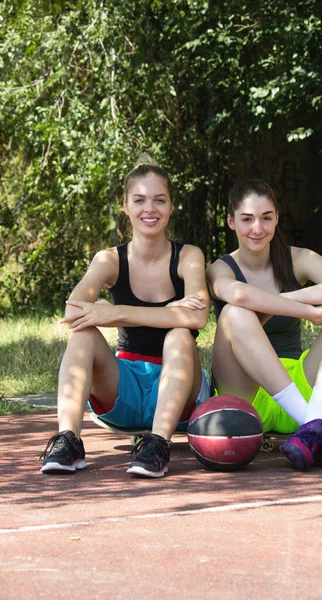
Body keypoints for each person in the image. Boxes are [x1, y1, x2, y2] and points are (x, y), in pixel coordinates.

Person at [40, 154, 210, 478]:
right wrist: (172, 312)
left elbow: (197, 318)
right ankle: (69, 440)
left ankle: (157, 445)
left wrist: (114, 312)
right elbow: (73, 312)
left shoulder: (188, 256)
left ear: (171, 207)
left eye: (160, 200)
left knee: (179, 335)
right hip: (123, 387)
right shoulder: (109, 260)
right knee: (83, 335)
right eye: (140, 200)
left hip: (180, 388)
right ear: (125, 205)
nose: (150, 209)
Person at [206, 178, 322, 471]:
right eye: (247, 219)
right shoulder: (220, 267)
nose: (258, 228)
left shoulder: (298, 258)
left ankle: (310, 426)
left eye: (266, 218)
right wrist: (307, 311)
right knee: (235, 312)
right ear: (230, 221)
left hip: (300, 387)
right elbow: (238, 294)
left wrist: (287, 299)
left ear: (277, 218)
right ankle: (318, 429)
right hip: (246, 397)